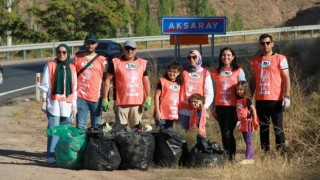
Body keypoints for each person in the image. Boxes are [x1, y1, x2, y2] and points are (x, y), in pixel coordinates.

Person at [250, 34, 291, 153]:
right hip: (260, 100)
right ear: (260, 45)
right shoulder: (255, 60)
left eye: (268, 43)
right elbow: (253, 80)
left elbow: (286, 78)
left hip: (276, 99)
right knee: (263, 128)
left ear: (272, 44)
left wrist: (287, 96)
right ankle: (265, 152)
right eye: (262, 43)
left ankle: (281, 152)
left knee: (278, 127)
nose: (265, 45)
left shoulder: (280, 58)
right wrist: (249, 98)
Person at [39, 44, 78, 164]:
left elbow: (74, 86)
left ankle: (61, 155)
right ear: (56, 53)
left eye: (64, 52)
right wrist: (44, 101)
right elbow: (45, 85)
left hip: (67, 105)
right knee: (53, 130)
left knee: (64, 131)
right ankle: (51, 156)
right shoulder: (50, 65)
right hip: (54, 104)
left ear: (68, 54)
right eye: (59, 52)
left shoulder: (71, 67)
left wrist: (74, 105)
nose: (61, 54)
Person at [102, 40, 151, 128]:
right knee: (121, 130)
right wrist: (105, 98)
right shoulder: (115, 62)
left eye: (132, 49)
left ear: (136, 50)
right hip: (121, 103)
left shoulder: (142, 63)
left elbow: (146, 81)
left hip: (137, 103)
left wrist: (148, 97)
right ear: (123, 50)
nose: (130, 51)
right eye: (127, 48)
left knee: (136, 129)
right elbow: (107, 80)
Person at [211, 47, 246, 161]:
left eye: (228, 55)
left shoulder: (239, 71)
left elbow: (243, 90)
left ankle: (231, 156)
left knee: (228, 132)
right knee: (223, 132)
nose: (226, 57)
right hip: (220, 106)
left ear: (233, 57)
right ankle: (226, 155)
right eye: (223, 55)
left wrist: (244, 107)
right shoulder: (216, 72)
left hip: (233, 106)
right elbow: (213, 90)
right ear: (220, 57)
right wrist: (212, 107)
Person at [73, 33, 107, 129]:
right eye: (88, 43)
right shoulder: (77, 58)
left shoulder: (102, 60)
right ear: (84, 43)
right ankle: (81, 144)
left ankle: (94, 144)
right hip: (80, 96)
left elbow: (106, 80)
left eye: (93, 43)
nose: (90, 45)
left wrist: (105, 97)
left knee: (96, 127)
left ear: (96, 45)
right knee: (80, 126)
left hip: (96, 97)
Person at [178, 50, 213, 130]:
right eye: (189, 57)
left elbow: (209, 93)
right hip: (184, 111)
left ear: (199, 58)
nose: (191, 59)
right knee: (183, 136)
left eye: (194, 57)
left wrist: (204, 107)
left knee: (196, 136)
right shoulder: (183, 72)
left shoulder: (205, 73)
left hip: (198, 111)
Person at [235, 81, 259, 165]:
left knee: (248, 140)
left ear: (245, 89)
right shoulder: (238, 99)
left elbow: (253, 109)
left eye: (241, 89)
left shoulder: (247, 99)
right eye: (237, 89)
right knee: (246, 139)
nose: (239, 91)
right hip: (242, 123)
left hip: (248, 122)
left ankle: (249, 158)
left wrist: (255, 120)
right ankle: (250, 156)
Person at [154, 61, 182, 132]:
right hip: (161, 114)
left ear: (178, 73)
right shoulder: (162, 81)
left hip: (172, 113)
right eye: (170, 71)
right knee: (161, 133)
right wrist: (157, 112)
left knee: (169, 133)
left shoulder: (179, 84)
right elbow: (156, 96)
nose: (171, 73)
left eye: (174, 72)